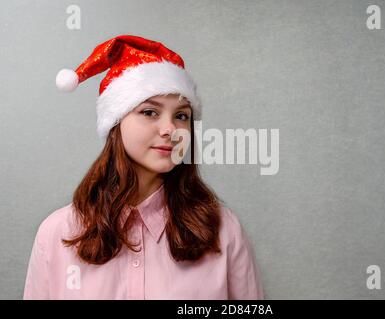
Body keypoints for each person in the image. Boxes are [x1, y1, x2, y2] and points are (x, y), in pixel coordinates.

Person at [23, 35, 264, 300]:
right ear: (116, 123)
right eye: (150, 112)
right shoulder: (57, 233)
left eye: (181, 115)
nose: (170, 129)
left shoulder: (224, 230)